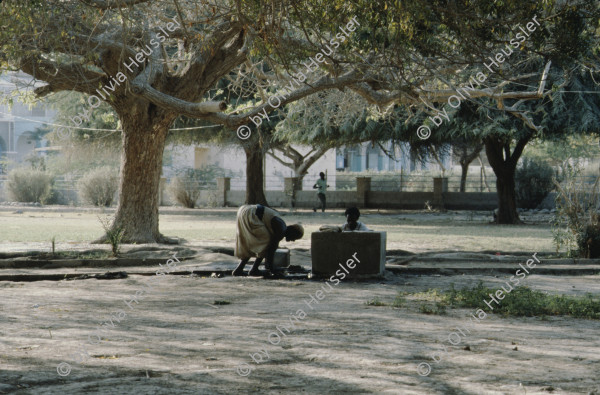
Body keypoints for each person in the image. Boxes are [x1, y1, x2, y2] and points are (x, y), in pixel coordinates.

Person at [232, 204, 304, 276]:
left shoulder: (280, 225)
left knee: (250, 244)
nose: (293, 240)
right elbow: (271, 249)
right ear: (292, 231)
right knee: (267, 243)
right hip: (251, 213)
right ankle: (254, 269)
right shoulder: (281, 229)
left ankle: (239, 269)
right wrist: (272, 269)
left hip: (244, 211)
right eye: (295, 237)